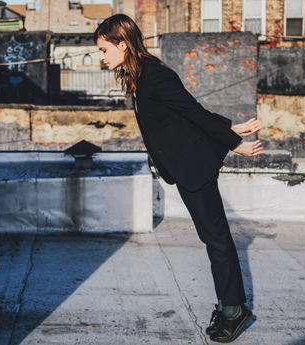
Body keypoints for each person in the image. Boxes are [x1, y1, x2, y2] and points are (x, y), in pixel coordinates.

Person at [94, 14, 263, 343]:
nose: (101, 56)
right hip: (185, 168)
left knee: (216, 239)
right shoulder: (140, 77)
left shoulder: (153, 76)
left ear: (122, 44)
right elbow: (184, 115)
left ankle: (234, 310)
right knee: (211, 237)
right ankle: (228, 304)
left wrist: (237, 144)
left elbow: (192, 111)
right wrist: (230, 128)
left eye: (103, 49)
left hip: (194, 166)